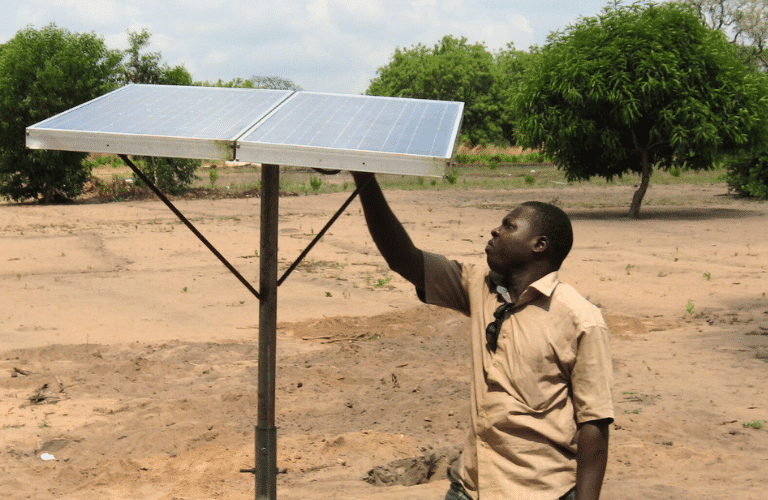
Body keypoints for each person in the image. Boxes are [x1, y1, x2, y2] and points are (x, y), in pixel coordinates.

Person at [351, 171, 614, 500]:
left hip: (539, 491)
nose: (495, 230)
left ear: (539, 245)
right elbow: (403, 257)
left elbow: (595, 423)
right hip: (469, 487)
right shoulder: (479, 286)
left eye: (509, 225)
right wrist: (365, 180)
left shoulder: (579, 319)